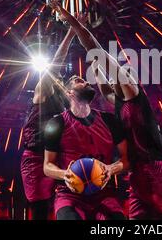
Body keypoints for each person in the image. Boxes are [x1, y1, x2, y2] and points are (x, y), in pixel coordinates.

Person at [50, 2, 162, 220]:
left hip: (154, 165)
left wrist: (69, 18)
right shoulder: (118, 99)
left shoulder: (132, 90)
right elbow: (103, 88)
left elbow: (93, 46)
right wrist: (94, 66)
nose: (111, 79)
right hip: (135, 172)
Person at [42, 74, 129, 220]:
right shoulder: (56, 123)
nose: (87, 82)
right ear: (69, 93)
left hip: (103, 193)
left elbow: (127, 159)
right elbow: (47, 165)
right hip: (69, 194)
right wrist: (65, 174)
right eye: (79, 81)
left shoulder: (109, 120)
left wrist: (110, 169)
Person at [20, 25, 75, 220]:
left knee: (66, 208)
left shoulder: (65, 104)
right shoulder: (41, 92)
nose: (57, 76)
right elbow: (57, 64)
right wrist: (71, 32)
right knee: (41, 212)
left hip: (56, 157)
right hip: (35, 159)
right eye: (55, 74)